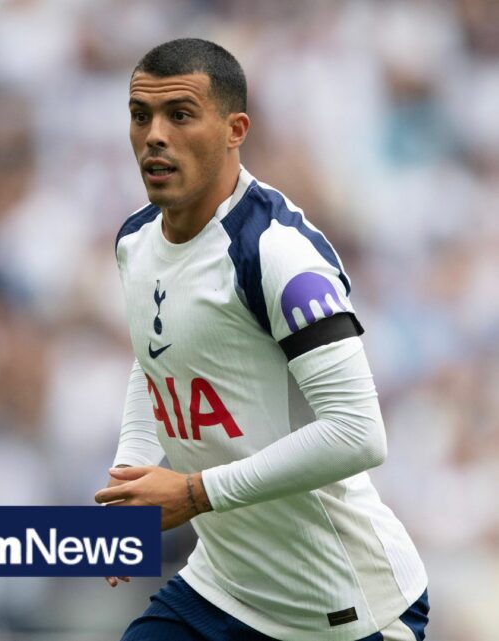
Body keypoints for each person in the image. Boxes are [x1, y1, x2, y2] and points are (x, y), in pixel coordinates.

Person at [93, 38, 428, 641]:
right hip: (221, 589)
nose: (154, 136)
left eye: (180, 115)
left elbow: (358, 433)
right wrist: (130, 478)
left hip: (344, 611)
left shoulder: (278, 254)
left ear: (234, 129)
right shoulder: (135, 242)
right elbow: (155, 363)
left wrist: (194, 493)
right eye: (140, 115)